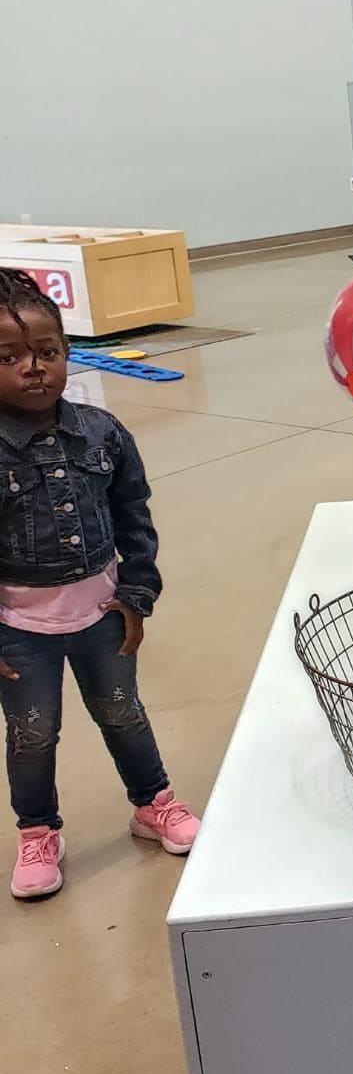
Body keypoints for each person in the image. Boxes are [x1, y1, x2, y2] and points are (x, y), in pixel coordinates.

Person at [0, 270, 200, 900]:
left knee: (122, 713)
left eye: (48, 352)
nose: (34, 368)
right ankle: (37, 831)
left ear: (66, 351)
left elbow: (133, 516)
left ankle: (153, 803)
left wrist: (137, 595)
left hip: (101, 613)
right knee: (32, 732)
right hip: (19, 630)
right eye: (8, 357)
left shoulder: (102, 432)